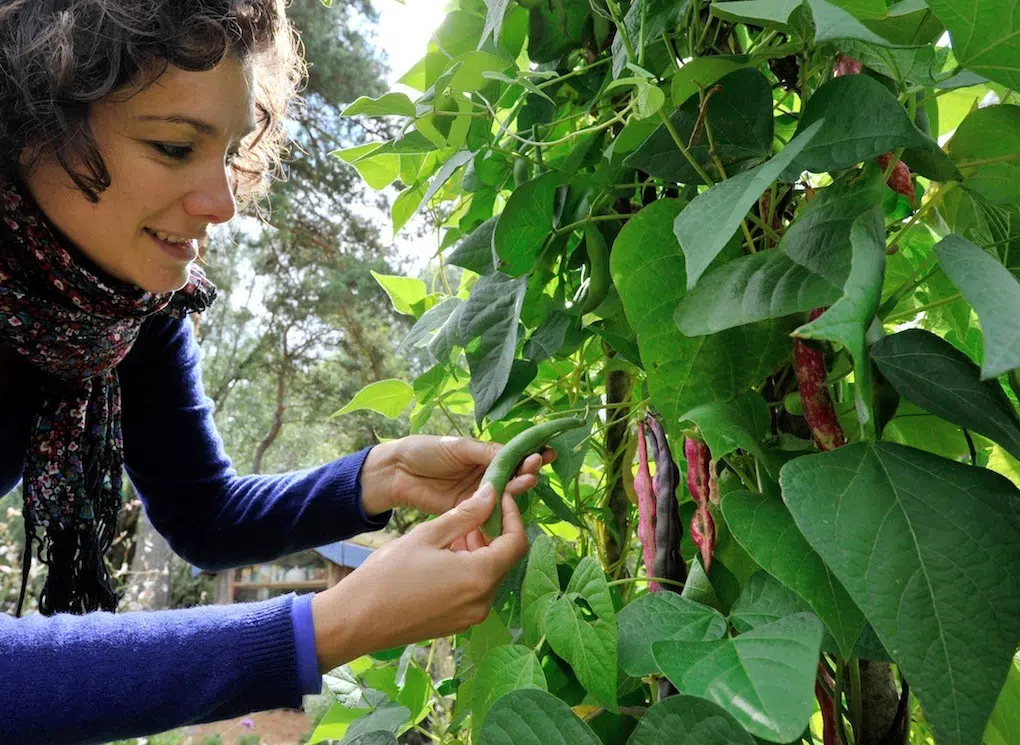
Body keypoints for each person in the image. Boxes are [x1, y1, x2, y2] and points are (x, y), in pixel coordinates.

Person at [0, 1, 554, 742]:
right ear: (30, 122)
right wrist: (333, 623)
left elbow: (203, 513)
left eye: (229, 153)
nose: (222, 205)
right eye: (171, 146)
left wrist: (378, 475)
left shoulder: (120, 308)